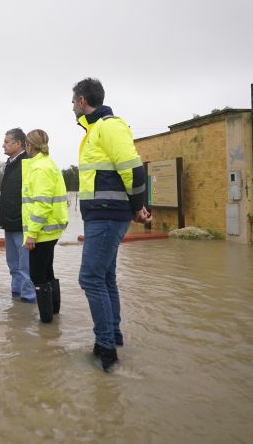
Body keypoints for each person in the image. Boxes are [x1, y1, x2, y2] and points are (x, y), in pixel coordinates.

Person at [72, 78, 151, 371]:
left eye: (73, 101)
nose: (72, 106)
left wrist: (137, 207)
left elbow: (134, 171)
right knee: (104, 278)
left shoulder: (109, 126)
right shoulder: (95, 129)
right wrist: (135, 207)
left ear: (82, 100)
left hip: (106, 215)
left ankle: (105, 348)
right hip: (102, 215)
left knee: (90, 278)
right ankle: (113, 337)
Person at [22, 129, 69, 323]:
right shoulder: (48, 164)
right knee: (47, 271)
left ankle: (46, 321)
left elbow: (42, 204)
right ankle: (53, 315)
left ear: (29, 146)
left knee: (37, 275)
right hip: (51, 230)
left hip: (42, 231)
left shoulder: (40, 168)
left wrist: (32, 233)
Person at [0, 128, 35, 303]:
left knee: (25, 267)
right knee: (13, 265)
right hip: (8, 222)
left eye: (6, 142)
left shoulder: (28, 163)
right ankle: (16, 299)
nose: (3, 145)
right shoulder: (10, 163)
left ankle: (28, 301)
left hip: (22, 224)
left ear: (19, 143)